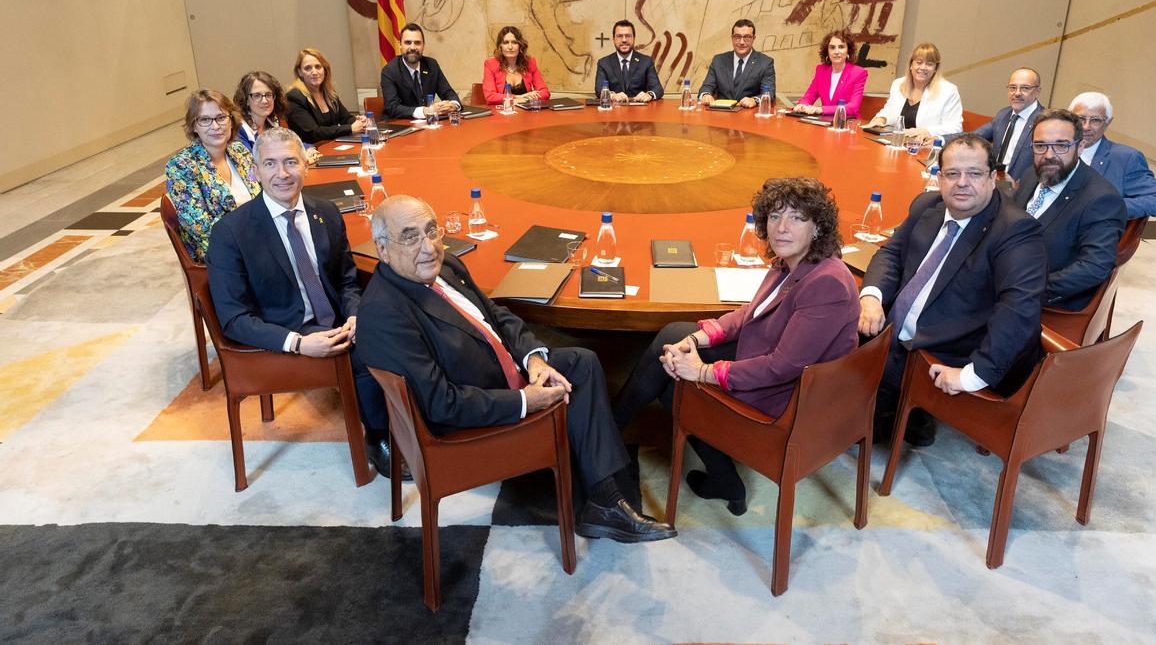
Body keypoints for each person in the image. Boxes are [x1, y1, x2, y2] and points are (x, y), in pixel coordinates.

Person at [355, 196, 676, 544]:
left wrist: (533, 359)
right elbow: (442, 404)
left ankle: (604, 497)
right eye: (410, 236)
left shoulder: (445, 266)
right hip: (466, 422)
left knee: (581, 362)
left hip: (499, 372)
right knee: (580, 385)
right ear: (383, 249)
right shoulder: (385, 312)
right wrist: (526, 400)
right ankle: (609, 495)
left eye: (431, 230)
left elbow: (497, 317)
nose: (428, 246)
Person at [613, 178, 859, 514]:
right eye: (774, 217)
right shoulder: (794, 261)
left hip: (790, 399)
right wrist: (698, 338)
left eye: (797, 218)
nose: (782, 228)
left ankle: (611, 438)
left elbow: (782, 367)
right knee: (674, 336)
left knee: (677, 385)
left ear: (817, 227)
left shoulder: (827, 283)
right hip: (773, 360)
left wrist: (701, 371)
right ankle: (610, 433)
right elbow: (750, 313)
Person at [205, 127, 392, 476]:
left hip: (335, 320)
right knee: (367, 355)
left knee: (396, 330)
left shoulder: (327, 213)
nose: (282, 174)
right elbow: (232, 318)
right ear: (254, 171)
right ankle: (379, 435)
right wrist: (298, 344)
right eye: (271, 164)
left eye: (291, 162)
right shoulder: (231, 232)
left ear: (306, 165)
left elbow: (347, 280)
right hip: (284, 331)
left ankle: (417, 420)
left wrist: (354, 315)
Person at [859, 134, 1047, 447]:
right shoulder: (928, 205)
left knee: (850, 423)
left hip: (943, 349)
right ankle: (902, 417)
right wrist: (871, 299)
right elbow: (891, 253)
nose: (962, 183)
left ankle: (909, 418)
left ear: (991, 178)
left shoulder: (1016, 231)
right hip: (891, 326)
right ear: (940, 176)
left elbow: (1018, 310)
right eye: (952, 173)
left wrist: (972, 376)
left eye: (974, 173)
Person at [1010, 109, 1125, 311]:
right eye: (1040, 146)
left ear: (1080, 147)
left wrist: (1026, 289)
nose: (1049, 155)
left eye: (1061, 145)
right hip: (1009, 277)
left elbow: (1094, 266)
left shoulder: (1101, 199)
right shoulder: (1032, 175)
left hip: (1045, 302)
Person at [164, 89, 261, 262]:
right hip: (219, 253)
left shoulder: (240, 152)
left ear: (231, 121)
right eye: (205, 120)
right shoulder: (181, 166)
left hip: (256, 238)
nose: (215, 126)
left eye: (221, 117)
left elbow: (261, 197)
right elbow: (201, 227)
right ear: (194, 125)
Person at [1068, 92, 1156, 219]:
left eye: (1095, 120)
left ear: (1108, 122)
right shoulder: (1050, 149)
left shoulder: (1125, 159)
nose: (1086, 127)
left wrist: (1108, 206)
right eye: (1081, 119)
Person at [863, 42, 963, 143]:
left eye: (929, 64)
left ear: (935, 69)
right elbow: (889, 110)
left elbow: (956, 127)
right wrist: (881, 119)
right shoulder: (898, 84)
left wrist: (926, 131)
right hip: (895, 142)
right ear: (911, 65)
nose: (923, 67)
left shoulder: (948, 90)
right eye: (919, 62)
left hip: (924, 146)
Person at [967, 67, 1043, 180]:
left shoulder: (1044, 122)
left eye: (1025, 88)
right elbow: (972, 137)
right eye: (1013, 87)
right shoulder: (1003, 114)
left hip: (1020, 190)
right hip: (994, 182)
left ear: (1037, 92)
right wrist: (940, 140)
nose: (1017, 93)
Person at [234, 71, 322, 165]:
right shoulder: (239, 129)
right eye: (257, 96)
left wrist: (309, 150)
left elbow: (292, 143)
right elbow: (254, 162)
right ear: (246, 100)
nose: (264, 101)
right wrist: (301, 159)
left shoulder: (273, 122)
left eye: (268, 95)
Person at [380, 22, 461, 120]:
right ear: (400, 45)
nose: (413, 48)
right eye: (408, 43)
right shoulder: (390, 71)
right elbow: (392, 107)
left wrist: (453, 105)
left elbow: (448, 92)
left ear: (423, 46)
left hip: (428, 125)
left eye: (417, 43)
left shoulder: (431, 65)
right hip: (399, 127)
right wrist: (425, 111)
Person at [284, 48, 366, 143]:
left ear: (325, 69)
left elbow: (346, 118)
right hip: (310, 151)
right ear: (299, 72)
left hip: (332, 145)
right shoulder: (294, 97)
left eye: (318, 67)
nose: (314, 72)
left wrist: (359, 122)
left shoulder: (329, 93)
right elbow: (313, 133)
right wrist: (350, 128)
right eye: (307, 68)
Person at [698, 19, 776, 109]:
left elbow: (769, 93)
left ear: (753, 38)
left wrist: (754, 100)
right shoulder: (719, 60)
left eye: (747, 37)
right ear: (732, 38)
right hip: (722, 115)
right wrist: (706, 94)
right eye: (737, 37)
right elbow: (707, 86)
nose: (742, 42)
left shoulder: (765, 62)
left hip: (750, 116)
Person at [791, 30, 868, 118]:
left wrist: (821, 109)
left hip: (846, 123)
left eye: (841, 47)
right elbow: (808, 96)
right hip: (824, 122)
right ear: (827, 51)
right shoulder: (821, 70)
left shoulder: (858, 73)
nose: (836, 51)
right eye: (832, 47)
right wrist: (802, 105)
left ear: (848, 51)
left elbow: (853, 107)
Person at [593, 19, 663, 102]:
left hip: (640, 111)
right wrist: (612, 95)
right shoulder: (604, 63)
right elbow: (599, 89)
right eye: (619, 36)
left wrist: (649, 95)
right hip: (614, 110)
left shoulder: (646, 62)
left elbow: (658, 88)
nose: (624, 40)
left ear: (634, 38)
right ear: (613, 39)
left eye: (628, 36)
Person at [482, 26, 550, 105]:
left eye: (514, 42)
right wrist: (518, 98)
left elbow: (545, 93)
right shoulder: (491, 64)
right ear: (500, 46)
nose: (510, 47)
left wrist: (524, 99)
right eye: (506, 42)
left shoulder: (530, 63)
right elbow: (490, 97)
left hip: (526, 114)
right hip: (502, 113)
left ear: (520, 45)